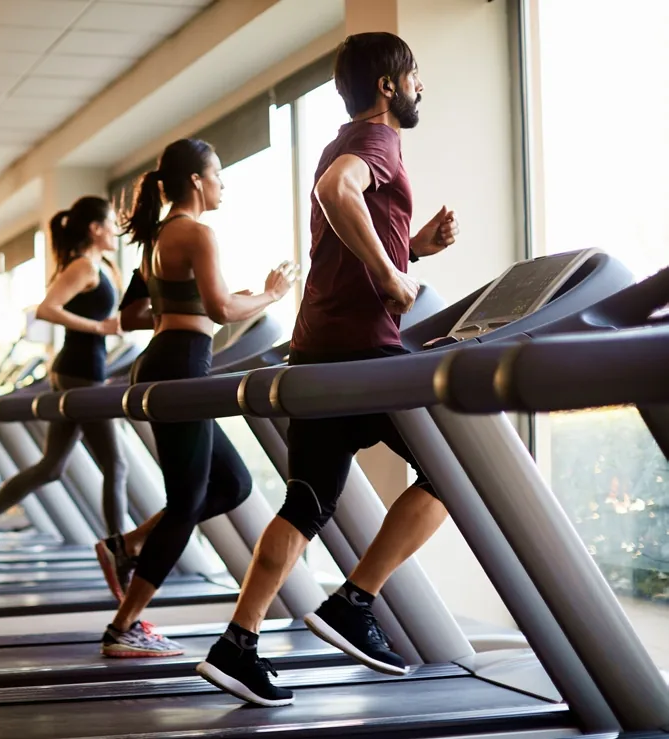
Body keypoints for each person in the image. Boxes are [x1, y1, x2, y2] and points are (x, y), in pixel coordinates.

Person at [196, 31, 460, 706]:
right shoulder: (372, 144)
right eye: (414, 76)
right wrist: (394, 278)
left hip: (317, 349)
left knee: (306, 501)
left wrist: (413, 250)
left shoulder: (341, 139)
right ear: (386, 86)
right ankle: (354, 599)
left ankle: (236, 643)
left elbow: (343, 227)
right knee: (457, 473)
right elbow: (334, 193)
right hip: (362, 354)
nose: (419, 87)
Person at [97, 138, 296, 657]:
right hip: (183, 362)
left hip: (165, 359)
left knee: (232, 483)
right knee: (187, 503)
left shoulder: (156, 240)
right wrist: (272, 293)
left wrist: (174, 312)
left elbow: (132, 316)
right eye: (218, 173)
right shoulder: (198, 234)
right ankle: (124, 627)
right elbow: (223, 306)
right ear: (195, 181)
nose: (223, 183)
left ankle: (131, 543)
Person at [0, 196, 128, 580]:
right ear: (95, 228)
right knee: (115, 464)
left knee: (51, 467)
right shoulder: (83, 266)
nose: (115, 229)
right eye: (110, 222)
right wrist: (99, 328)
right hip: (79, 374)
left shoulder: (100, 265)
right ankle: (119, 549)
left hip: (85, 372)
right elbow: (47, 309)